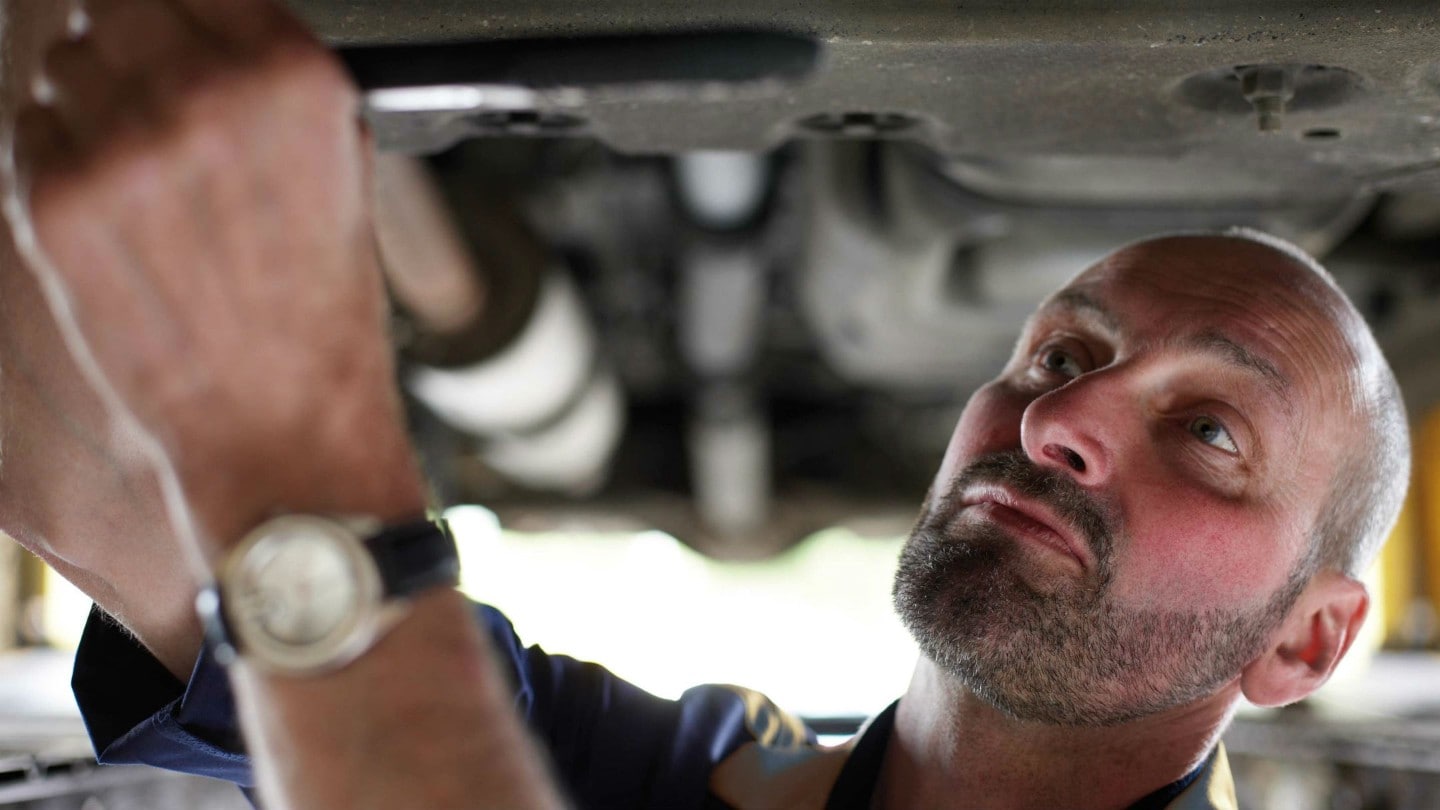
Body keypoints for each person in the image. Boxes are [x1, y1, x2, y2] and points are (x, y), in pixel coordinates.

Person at [0, 1, 1409, 808]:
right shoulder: (691, 771)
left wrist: (301, 464)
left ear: (1310, 635)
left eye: (1212, 430)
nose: (1060, 422)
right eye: (1056, 357)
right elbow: (110, 510)